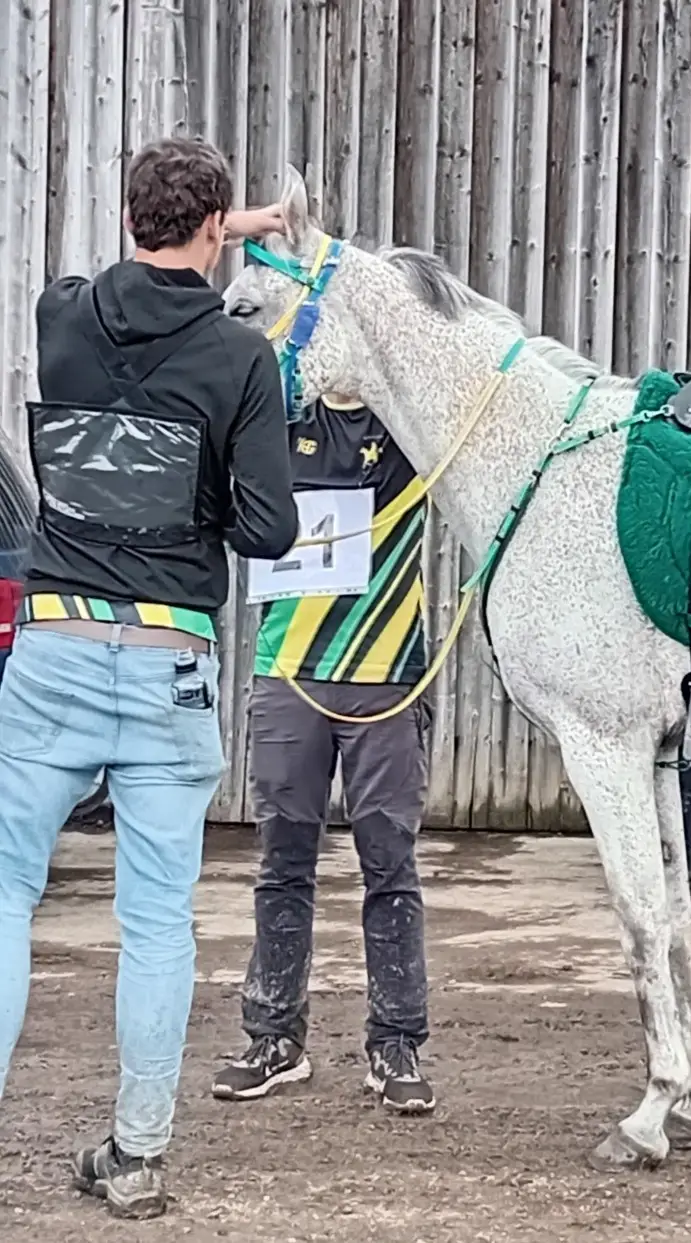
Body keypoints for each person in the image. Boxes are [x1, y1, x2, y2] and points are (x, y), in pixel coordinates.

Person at [0, 136, 299, 1219]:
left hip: (54, 647)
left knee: (6, 891)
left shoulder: (61, 318)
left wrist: (212, 225)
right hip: (169, 657)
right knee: (158, 918)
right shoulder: (240, 358)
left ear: (129, 217)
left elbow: (108, 282)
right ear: (216, 228)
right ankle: (135, 1154)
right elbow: (269, 529)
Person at [211, 389, 436, 1115]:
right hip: (287, 673)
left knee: (390, 865)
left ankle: (395, 1043)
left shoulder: (412, 426)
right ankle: (274, 1038)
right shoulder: (275, 417)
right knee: (282, 861)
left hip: (388, 677)